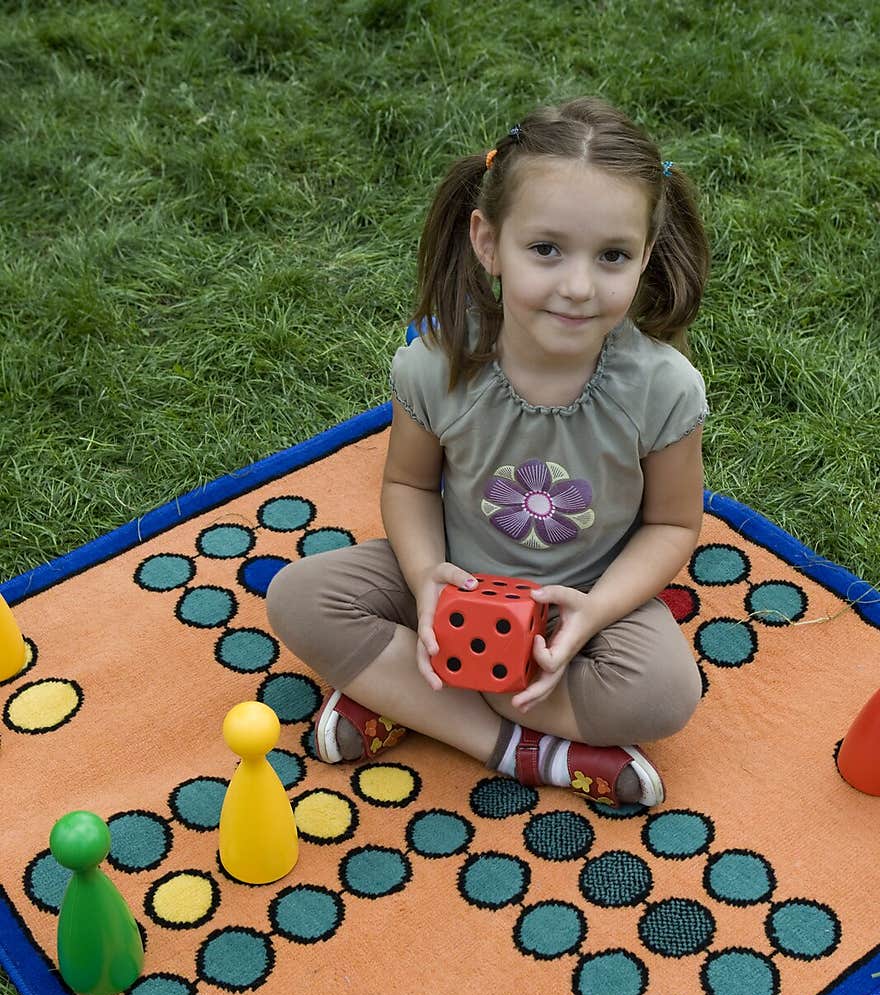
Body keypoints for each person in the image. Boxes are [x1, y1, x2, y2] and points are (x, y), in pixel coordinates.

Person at [267, 95, 710, 807]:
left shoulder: (664, 390)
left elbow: (672, 525)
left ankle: (410, 702)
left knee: (665, 694)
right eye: (546, 249)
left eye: (613, 257)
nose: (577, 286)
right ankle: (519, 748)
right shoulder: (435, 366)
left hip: (587, 598)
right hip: (452, 580)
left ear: (646, 257)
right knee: (298, 597)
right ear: (487, 241)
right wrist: (424, 583)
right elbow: (410, 487)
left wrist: (592, 615)